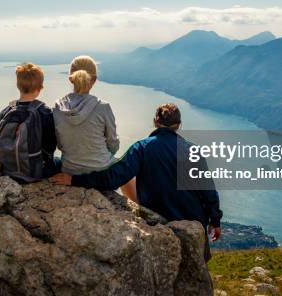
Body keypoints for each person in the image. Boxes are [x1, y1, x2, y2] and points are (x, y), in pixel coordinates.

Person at [50, 103, 222, 260]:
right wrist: (215, 221)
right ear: (179, 125)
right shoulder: (192, 150)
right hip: (195, 224)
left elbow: (113, 178)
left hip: (160, 221)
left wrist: (75, 179)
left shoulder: (142, 148)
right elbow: (208, 191)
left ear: (155, 121)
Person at [52, 55, 136, 198]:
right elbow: (113, 144)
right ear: (94, 79)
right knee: (128, 173)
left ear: (70, 78)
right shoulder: (103, 107)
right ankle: (138, 210)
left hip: (70, 169)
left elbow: (60, 144)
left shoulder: (57, 107)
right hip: (101, 170)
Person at [0, 63, 58, 182]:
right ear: (40, 87)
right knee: (60, 163)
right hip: (36, 172)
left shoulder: (7, 111)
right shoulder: (44, 112)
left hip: (6, 170)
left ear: (18, 86)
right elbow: (50, 146)